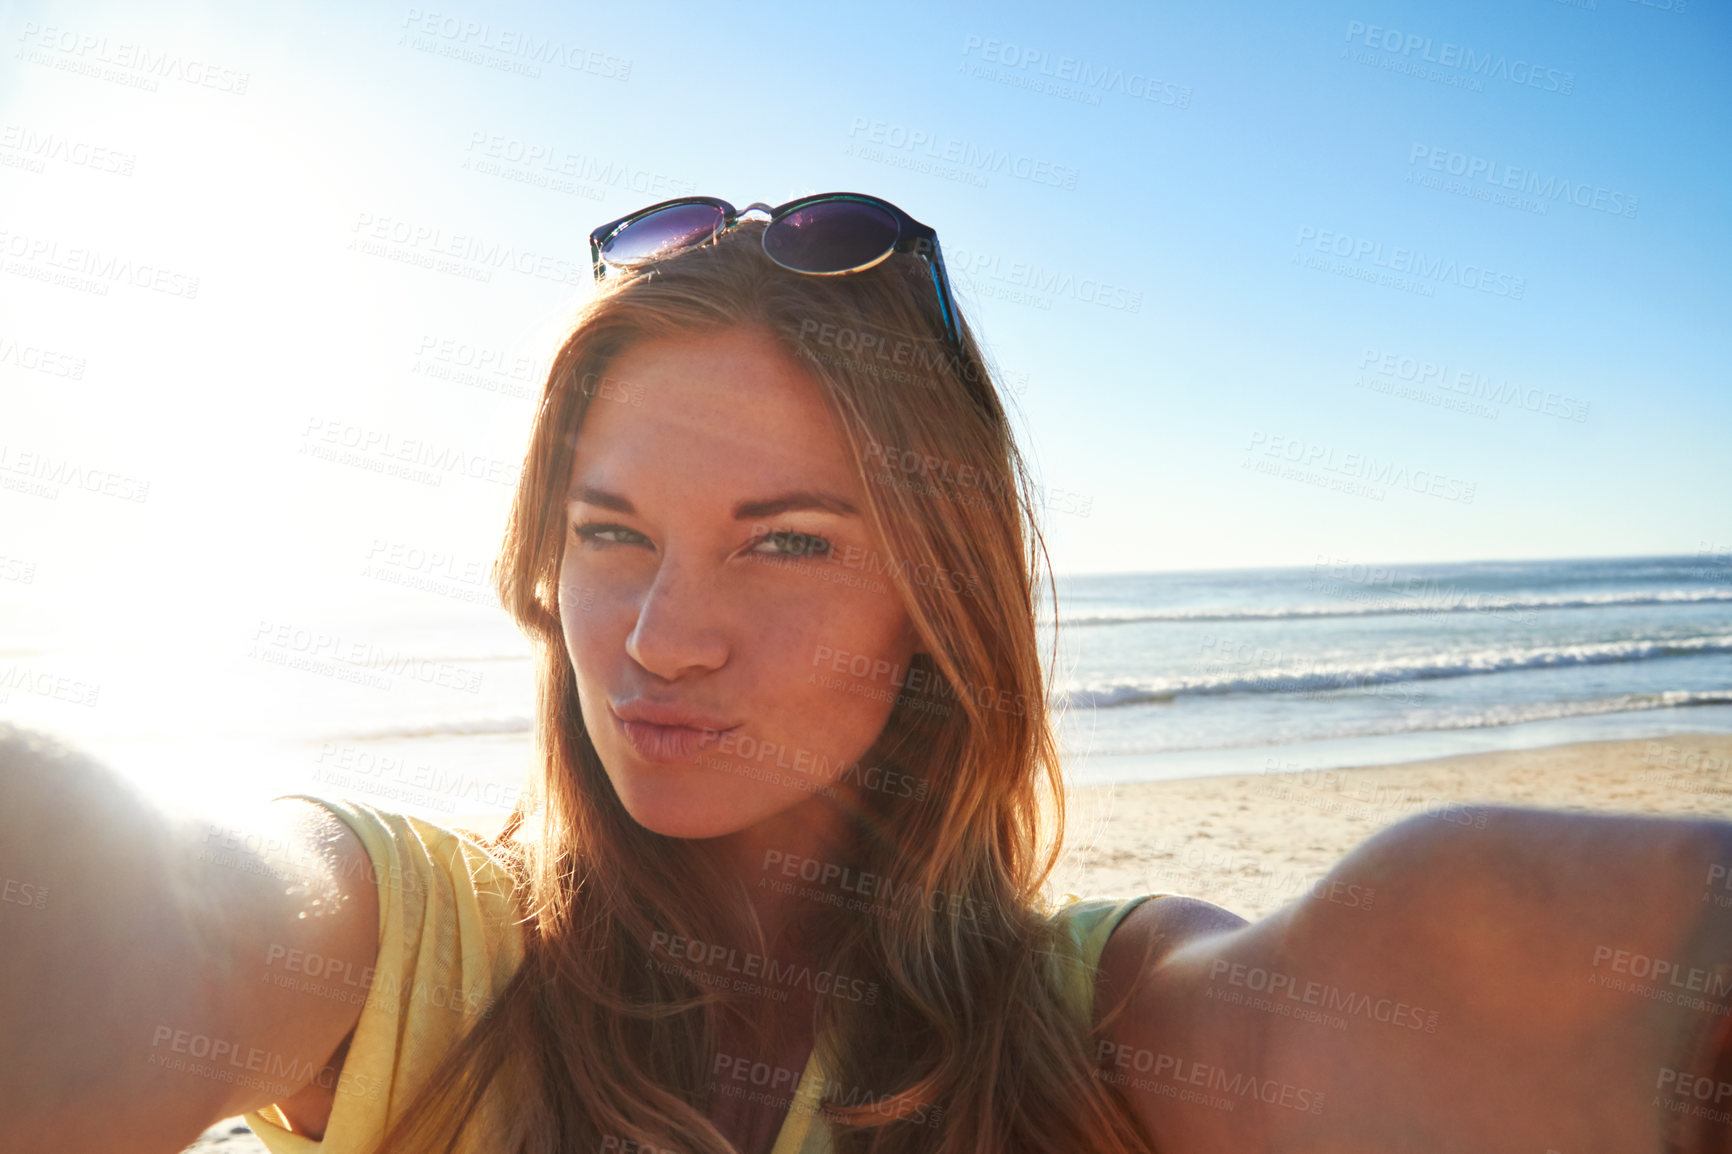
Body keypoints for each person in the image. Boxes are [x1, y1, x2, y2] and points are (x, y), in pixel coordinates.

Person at [2, 193, 1729, 1154]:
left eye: (789, 539)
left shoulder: (1101, 1030)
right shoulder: (409, 950)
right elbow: (132, 897)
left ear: (939, 601)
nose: (661, 637)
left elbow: (1429, 975)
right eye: (614, 532)